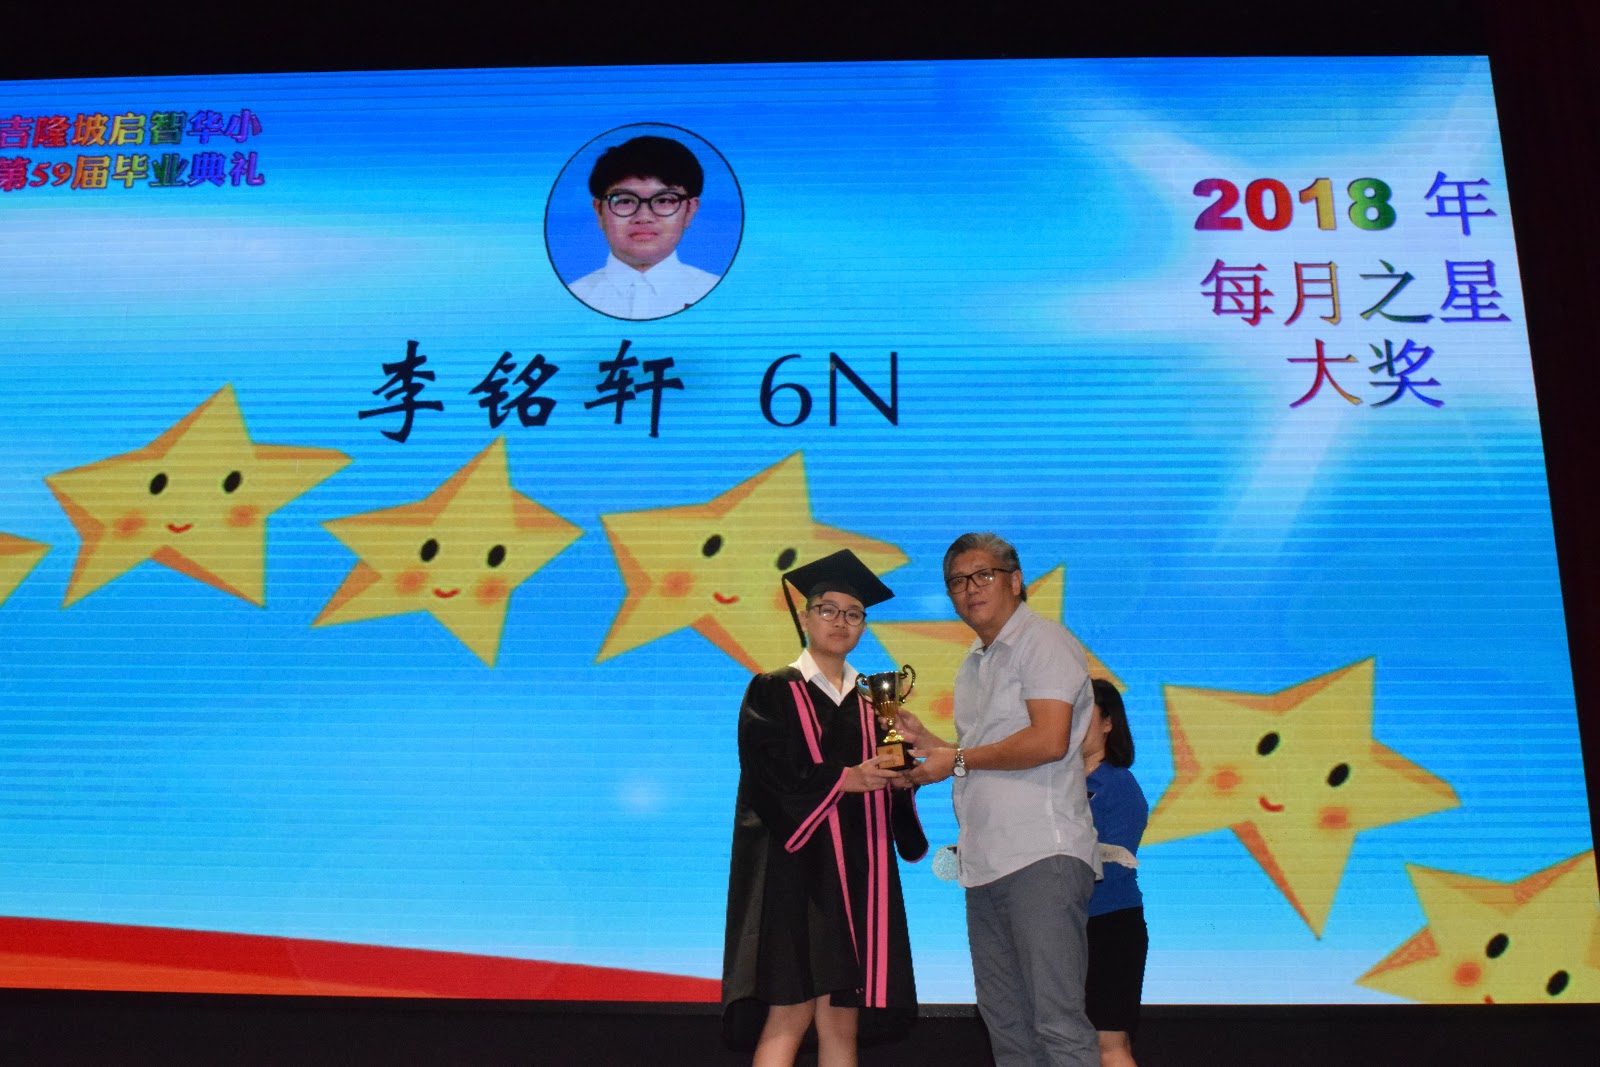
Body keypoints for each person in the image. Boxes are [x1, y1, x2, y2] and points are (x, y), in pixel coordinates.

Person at [721, 549, 927, 1065]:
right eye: (828, 609)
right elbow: (768, 778)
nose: (840, 621)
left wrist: (902, 781)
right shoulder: (773, 690)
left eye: (853, 613)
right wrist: (846, 779)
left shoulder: (875, 702)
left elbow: (890, 784)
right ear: (806, 616)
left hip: (862, 874)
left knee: (841, 1022)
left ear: (864, 626)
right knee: (788, 1014)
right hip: (798, 875)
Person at [901, 531, 1100, 1066]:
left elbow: (1049, 740)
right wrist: (929, 745)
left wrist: (955, 760)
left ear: (1016, 581)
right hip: (984, 864)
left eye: (983, 575)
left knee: (1058, 1024)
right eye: (957, 582)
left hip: (1041, 855)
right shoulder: (974, 663)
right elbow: (979, 753)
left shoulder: (1044, 642)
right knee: (1007, 1029)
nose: (970, 589)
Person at [567, 134, 721, 319]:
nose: (644, 217)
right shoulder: (571, 298)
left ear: (689, 210)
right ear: (599, 211)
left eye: (664, 200)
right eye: (625, 201)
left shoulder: (720, 295)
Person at [1083, 679, 1148, 1067]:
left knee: (1109, 1045)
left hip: (1110, 926)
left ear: (1108, 723)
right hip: (1064, 930)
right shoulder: (1052, 786)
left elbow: (1116, 858)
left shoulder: (1119, 784)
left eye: (1083, 711)